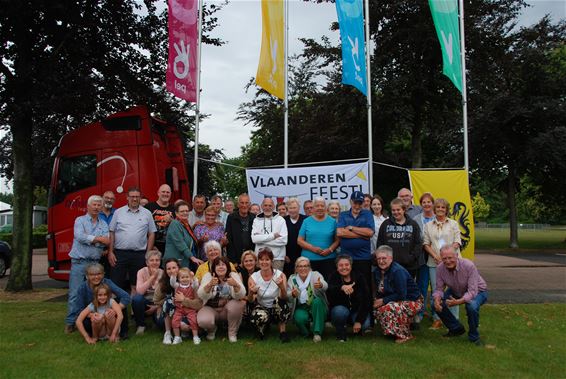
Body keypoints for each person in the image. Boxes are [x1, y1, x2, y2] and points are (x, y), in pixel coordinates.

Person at [65, 195, 110, 334]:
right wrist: (97, 239)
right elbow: (79, 236)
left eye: (99, 205)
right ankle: (71, 322)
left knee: (95, 294)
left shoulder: (103, 223)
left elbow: (107, 241)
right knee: (75, 293)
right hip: (80, 262)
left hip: (95, 264)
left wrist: (90, 239)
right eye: (94, 205)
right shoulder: (80, 220)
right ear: (88, 206)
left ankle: (92, 319)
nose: (96, 207)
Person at [433, 245, 488, 346]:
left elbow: (472, 291)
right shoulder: (440, 268)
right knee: (435, 304)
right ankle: (456, 329)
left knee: (471, 306)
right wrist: (437, 299)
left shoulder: (469, 266)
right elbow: (439, 289)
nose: (447, 261)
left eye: (450, 258)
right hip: (456, 290)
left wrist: (458, 302)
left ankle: (473, 336)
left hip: (478, 291)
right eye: (444, 258)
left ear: (457, 256)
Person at [108, 187, 157, 299]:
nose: (134, 199)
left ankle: (135, 312)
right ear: (127, 197)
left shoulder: (147, 213)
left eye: (137, 196)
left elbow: (151, 234)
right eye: (132, 196)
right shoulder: (118, 212)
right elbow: (112, 232)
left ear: (140, 198)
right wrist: (110, 252)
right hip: (119, 254)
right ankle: (117, 311)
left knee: (136, 285)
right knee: (116, 285)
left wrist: (148, 253)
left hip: (139, 254)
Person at [424, 198, 462, 329]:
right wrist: (436, 256)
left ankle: (454, 318)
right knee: (437, 291)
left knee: (454, 290)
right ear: (434, 209)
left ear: (446, 209)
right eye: (438, 207)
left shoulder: (453, 224)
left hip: (452, 262)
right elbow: (426, 244)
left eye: (443, 207)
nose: (440, 209)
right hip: (434, 262)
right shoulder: (428, 225)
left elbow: (457, 242)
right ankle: (437, 318)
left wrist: (446, 256)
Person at [373, 245, 423, 344]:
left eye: (384, 258)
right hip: (395, 300)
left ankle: (405, 335)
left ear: (391, 258)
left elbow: (402, 295)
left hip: (413, 300)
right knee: (377, 310)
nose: (381, 261)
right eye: (379, 258)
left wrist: (383, 301)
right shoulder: (377, 271)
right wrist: (376, 300)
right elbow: (380, 291)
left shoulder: (397, 271)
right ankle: (392, 332)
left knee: (388, 308)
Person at [71, 264, 130, 340]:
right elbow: (79, 310)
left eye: (99, 274)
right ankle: (93, 335)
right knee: (86, 320)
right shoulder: (82, 288)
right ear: (87, 276)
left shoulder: (107, 282)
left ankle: (122, 333)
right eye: (92, 275)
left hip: (108, 312)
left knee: (120, 304)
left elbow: (126, 297)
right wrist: (91, 315)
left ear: (103, 274)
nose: (96, 277)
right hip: (91, 314)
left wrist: (115, 310)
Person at [154, 259, 203, 345]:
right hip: (172, 312)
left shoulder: (191, 284)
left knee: (185, 324)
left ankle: (189, 334)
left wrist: (184, 300)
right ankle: (168, 333)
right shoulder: (166, 283)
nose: (172, 271)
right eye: (168, 269)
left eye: (174, 268)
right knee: (168, 301)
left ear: (179, 268)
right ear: (165, 271)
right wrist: (171, 300)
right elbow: (156, 300)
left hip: (189, 310)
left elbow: (198, 303)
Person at [197, 256, 246, 343]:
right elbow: (201, 295)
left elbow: (241, 294)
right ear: (214, 268)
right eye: (218, 265)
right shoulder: (208, 276)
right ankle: (212, 330)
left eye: (223, 264)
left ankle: (232, 333)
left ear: (227, 267)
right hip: (211, 309)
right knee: (203, 320)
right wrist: (209, 285)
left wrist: (236, 285)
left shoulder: (233, 275)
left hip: (226, 310)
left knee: (237, 305)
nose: (221, 267)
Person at [248, 248, 291, 342]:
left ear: (271, 261)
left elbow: (284, 297)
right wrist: (251, 292)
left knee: (280, 301)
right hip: (262, 306)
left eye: (267, 259)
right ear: (258, 262)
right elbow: (250, 300)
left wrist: (281, 287)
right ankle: (261, 330)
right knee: (257, 315)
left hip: (277, 307)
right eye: (261, 260)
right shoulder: (253, 277)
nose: (264, 262)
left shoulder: (280, 275)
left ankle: (283, 332)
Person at [327, 255, 371, 341]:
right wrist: (341, 288)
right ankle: (340, 330)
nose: (344, 267)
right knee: (339, 312)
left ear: (351, 266)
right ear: (337, 267)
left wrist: (359, 321)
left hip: (356, 310)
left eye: (347, 265)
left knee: (365, 324)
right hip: (341, 310)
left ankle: (356, 327)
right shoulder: (333, 276)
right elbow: (329, 294)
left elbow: (366, 300)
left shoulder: (359, 277)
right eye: (341, 265)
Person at [336, 191, 375, 286]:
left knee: (365, 284)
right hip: (346, 257)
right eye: (355, 203)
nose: (357, 206)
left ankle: (366, 302)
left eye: (360, 203)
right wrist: (362, 235)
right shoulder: (343, 214)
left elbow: (370, 232)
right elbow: (340, 232)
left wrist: (351, 228)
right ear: (350, 202)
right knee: (348, 284)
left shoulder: (367, 214)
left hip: (363, 257)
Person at [377, 198, 422, 278]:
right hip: (389, 266)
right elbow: (380, 243)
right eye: (393, 210)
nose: (396, 212)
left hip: (409, 266)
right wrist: (384, 260)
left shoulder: (413, 224)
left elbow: (418, 244)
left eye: (398, 210)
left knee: (407, 289)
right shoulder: (385, 224)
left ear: (404, 210)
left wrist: (411, 258)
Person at [297, 197, 339, 280]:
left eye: (322, 206)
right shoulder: (306, 221)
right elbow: (299, 240)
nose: (320, 208)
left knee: (329, 285)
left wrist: (330, 249)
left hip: (329, 260)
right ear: (313, 208)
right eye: (317, 206)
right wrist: (313, 248)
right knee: (310, 287)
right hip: (309, 261)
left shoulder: (332, 221)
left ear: (325, 208)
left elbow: (338, 240)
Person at [287, 257, 328, 342]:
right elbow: (287, 295)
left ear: (309, 267)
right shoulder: (292, 278)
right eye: (300, 266)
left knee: (317, 301)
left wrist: (321, 285)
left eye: (306, 266)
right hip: (302, 306)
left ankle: (317, 333)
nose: (303, 268)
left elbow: (325, 285)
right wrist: (292, 294)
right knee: (299, 318)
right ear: (296, 268)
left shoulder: (315, 274)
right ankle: (305, 333)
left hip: (316, 305)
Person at [412, 192, 436, 325]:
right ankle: (420, 312)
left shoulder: (438, 218)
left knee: (435, 286)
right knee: (422, 285)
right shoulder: (416, 219)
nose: (427, 204)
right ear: (421, 205)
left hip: (435, 257)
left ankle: (436, 313)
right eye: (424, 202)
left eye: (429, 202)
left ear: (433, 203)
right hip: (422, 257)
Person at [132, 249, 164, 335]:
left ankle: (155, 321)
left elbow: (165, 295)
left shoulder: (163, 273)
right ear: (147, 262)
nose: (154, 262)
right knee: (136, 299)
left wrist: (156, 306)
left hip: (158, 302)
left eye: (157, 260)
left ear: (160, 262)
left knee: (161, 323)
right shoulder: (141, 272)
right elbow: (140, 291)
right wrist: (152, 277)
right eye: (152, 260)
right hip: (145, 301)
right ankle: (141, 325)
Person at [251, 198, 288, 271]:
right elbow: (254, 239)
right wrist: (273, 236)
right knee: (261, 281)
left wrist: (261, 239)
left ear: (274, 207)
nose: (267, 208)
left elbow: (283, 240)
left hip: (277, 259)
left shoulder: (281, 220)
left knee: (276, 281)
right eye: (265, 205)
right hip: (260, 258)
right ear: (261, 206)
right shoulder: (256, 220)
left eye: (270, 205)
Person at [164, 200, 203, 269]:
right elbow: (180, 244)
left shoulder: (185, 224)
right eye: (182, 211)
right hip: (174, 264)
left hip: (184, 261)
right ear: (176, 213)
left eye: (187, 211)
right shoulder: (175, 224)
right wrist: (193, 258)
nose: (185, 213)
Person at [169, 267, 201, 345]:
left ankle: (195, 336)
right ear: (179, 279)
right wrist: (173, 275)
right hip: (179, 308)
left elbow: (196, 284)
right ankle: (177, 337)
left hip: (190, 308)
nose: (185, 279)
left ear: (190, 278)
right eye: (182, 277)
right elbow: (172, 282)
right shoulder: (177, 286)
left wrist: (193, 277)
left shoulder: (192, 286)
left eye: (187, 277)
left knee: (193, 321)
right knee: (174, 321)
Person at [225, 193, 255, 264]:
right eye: (242, 203)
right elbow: (229, 239)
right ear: (238, 205)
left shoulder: (254, 218)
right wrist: (233, 260)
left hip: (251, 257)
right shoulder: (231, 217)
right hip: (236, 257)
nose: (244, 205)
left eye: (246, 203)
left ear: (249, 204)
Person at [145, 184, 175, 253]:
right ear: (158, 193)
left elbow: (180, 227)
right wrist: (150, 246)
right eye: (163, 192)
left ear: (170, 194)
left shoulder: (174, 209)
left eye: (167, 192)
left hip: (170, 247)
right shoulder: (149, 207)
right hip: (152, 246)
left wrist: (171, 221)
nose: (165, 194)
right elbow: (142, 228)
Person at [283, 197, 306, 276]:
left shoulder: (305, 220)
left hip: (304, 255)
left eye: (295, 207)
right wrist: (284, 254)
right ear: (287, 209)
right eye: (290, 208)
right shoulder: (283, 220)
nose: (293, 210)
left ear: (299, 208)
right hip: (288, 258)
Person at [99, 190, 116, 277]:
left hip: (113, 250)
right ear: (102, 199)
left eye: (111, 199)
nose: (109, 200)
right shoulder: (96, 212)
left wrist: (109, 250)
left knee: (110, 276)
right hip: (98, 251)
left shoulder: (117, 213)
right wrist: (102, 248)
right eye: (107, 198)